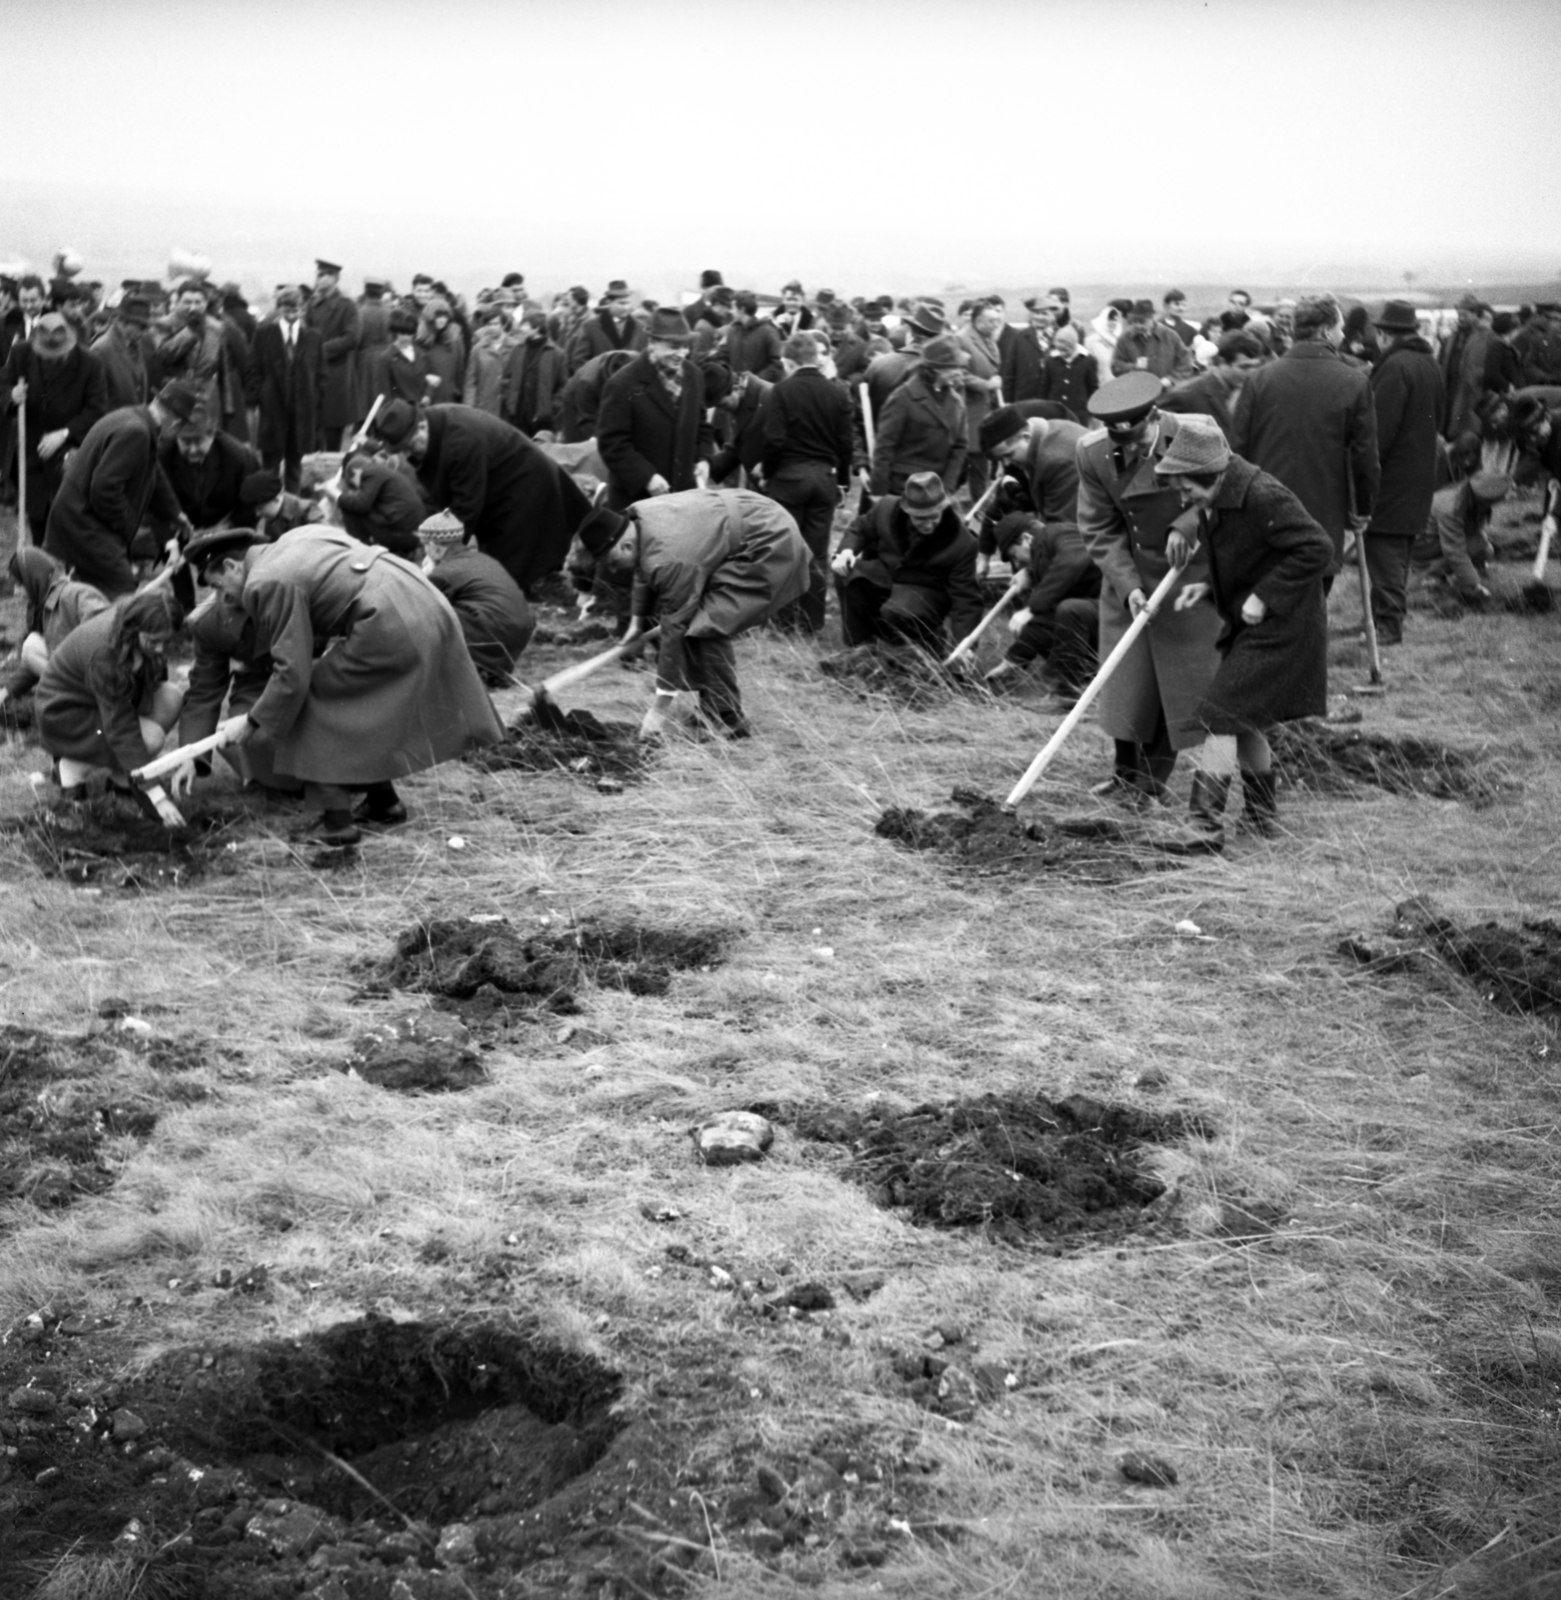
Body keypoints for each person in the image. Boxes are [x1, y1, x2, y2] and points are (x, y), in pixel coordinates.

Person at [188, 524, 505, 846]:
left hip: (387, 618)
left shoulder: (265, 579)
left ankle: (336, 824)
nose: (223, 596)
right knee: (340, 701)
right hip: (423, 598)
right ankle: (384, 802)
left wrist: (252, 719)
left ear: (231, 566)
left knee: (309, 703)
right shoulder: (297, 538)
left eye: (219, 585)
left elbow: (292, 676)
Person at [1153, 413, 1334, 846]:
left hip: (1285, 625)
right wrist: (1208, 589)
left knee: (1221, 715)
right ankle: (1260, 820)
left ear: (1210, 473)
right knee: (1246, 719)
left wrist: (1264, 596)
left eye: (1186, 485)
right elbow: (1246, 556)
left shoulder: (1263, 494)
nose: (1183, 496)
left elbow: (1318, 547)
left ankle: (1203, 827)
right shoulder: (1216, 497)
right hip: (1257, 623)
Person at [1075, 372, 1223, 805]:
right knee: (1126, 680)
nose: (1133, 450)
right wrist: (1127, 585)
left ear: (1155, 416)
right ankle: (1124, 776)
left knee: (1171, 684)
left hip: (1189, 578)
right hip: (1131, 577)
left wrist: (1188, 523)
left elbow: (1226, 486)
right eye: (1123, 444)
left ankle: (1150, 785)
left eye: (1140, 440)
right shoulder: (1093, 454)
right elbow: (1099, 527)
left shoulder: (1199, 432)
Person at [577, 488, 809, 739]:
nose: (612, 569)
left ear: (626, 545)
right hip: (749, 519)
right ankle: (713, 707)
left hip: (769, 539)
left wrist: (659, 709)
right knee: (691, 616)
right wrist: (636, 622)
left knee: (708, 622)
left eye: (612, 562)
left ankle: (729, 718)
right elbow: (645, 570)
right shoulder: (637, 517)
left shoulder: (669, 558)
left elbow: (674, 626)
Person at [369, 397, 590, 593]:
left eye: (409, 447)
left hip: (523, 482)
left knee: (505, 572)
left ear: (421, 426)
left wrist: (441, 554)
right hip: (495, 483)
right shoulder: (434, 426)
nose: (408, 455)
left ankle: (545, 586)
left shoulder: (460, 440)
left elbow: (466, 508)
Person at [1230, 292, 1379, 579]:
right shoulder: (1355, 382)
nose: (1342, 332)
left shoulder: (1258, 379)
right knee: (1313, 598)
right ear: (1325, 330)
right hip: (1321, 515)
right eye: (1339, 327)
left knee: (1266, 601)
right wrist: (1362, 509)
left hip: (1263, 516)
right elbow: (1365, 458)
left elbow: (1237, 450)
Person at [33, 583, 187, 825]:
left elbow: (145, 683)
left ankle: (121, 778)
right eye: (154, 641)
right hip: (66, 714)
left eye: (166, 642)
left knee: (170, 697)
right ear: (134, 629)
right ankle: (72, 767)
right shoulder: (105, 653)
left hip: (100, 702)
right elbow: (121, 728)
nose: (161, 649)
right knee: (151, 738)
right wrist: (157, 798)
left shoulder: (134, 634)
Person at [44, 380, 198, 596]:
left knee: (87, 598)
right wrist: (126, 526)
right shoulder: (137, 433)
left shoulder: (133, 418)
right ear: (176, 423)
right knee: (122, 598)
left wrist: (175, 513)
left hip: (79, 520)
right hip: (85, 527)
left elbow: (154, 471)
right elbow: (104, 489)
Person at [1363, 299, 1445, 644]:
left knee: (1384, 551)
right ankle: (1384, 620)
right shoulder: (1429, 363)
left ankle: (1388, 626)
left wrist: (1364, 469)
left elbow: (1379, 432)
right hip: (1420, 471)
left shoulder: (1394, 367)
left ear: (1383, 335)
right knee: (1399, 551)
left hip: (1392, 476)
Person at [762, 330, 854, 633]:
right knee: (817, 553)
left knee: (787, 551)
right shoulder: (838, 392)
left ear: (790, 361)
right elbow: (845, 444)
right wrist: (842, 482)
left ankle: (784, 622)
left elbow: (774, 441)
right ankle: (812, 621)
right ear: (817, 358)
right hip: (825, 480)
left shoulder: (781, 391)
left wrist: (768, 472)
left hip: (788, 479)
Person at [832, 470, 983, 652]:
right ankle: (860, 647)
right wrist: (847, 551)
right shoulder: (886, 508)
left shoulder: (963, 543)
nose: (928, 524)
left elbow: (966, 601)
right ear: (907, 510)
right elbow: (860, 528)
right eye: (920, 518)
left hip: (925, 592)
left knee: (895, 611)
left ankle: (932, 645)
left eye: (934, 516)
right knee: (845, 571)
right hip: (886, 576)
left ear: (943, 508)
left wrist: (964, 648)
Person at [3, 311, 109, 541]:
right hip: (31, 452)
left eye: (57, 354)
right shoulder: (21, 352)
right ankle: (41, 571)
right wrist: (11, 394)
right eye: (46, 354)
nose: (52, 358)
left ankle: (69, 569)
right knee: (37, 518)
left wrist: (65, 433)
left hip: (71, 454)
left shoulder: (90, 363)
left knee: (68, 520)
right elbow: (4, 382)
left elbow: (97, 409)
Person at [597, 308, 714, 510]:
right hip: (637, 502)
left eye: (686, 347)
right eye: (674, 346)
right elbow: (612, 442)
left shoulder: (693, 376)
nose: (682, 354)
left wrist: (704, 459)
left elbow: (701, 425)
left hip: (682, 498)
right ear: (652, 343)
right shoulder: (623, 383)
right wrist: (646, 477)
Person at [982, 515, 1100, 702]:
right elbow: (1043, 620)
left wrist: (1031, 607)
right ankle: (1086, 677)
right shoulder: (1042, 558)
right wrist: (1013, 661)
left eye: (1014, 555)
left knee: (1069, 610)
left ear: (1027, 539)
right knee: (1041, 619)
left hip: (1117, 612)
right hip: (1094, 617)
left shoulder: (1059, 532)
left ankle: (1066, 695)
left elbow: (1072, 561)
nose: (1017, 563)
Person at [419, 511, 535, 684]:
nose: (424, 551)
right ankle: (487, 670)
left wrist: (425, 577)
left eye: (425, 546)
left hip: (493, 631)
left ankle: (460, 673)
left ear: (435, 547)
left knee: (428, 619)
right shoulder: (482, 559)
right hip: (518, 631)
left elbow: (420, 607)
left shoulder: (444, 572)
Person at [1, 547, 110, 708]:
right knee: (31, 646)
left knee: (30, 645)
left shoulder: (74, 594)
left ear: (33, 578)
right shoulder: (40, 607)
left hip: (103, 678)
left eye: (19, 585)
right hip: (83, 677)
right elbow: (32, 661)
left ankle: (82, 701)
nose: (16, 592)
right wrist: (6, 691)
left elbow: (105, 627)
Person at [976, 405, 1086, 563]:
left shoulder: (1055, 462)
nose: (1006, 464)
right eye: (1001, 459)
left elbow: (1063, 534)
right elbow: (998, 506)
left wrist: (1030, 571)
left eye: (1008, 455)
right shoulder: (1044, 435)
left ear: (1026, 437)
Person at [146, 279, 248, 442]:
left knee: (205, 445)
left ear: (206, 303)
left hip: (208, 398)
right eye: (187, 302)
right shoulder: (162, 325)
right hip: (174, 397)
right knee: (172, 445)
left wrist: (228, 406)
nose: (193, 307)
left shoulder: (217, 327)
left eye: (198, 302)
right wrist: (190, 332)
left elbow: (224, 370)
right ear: (177, 302)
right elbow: (164, 356)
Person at [245, 287, 323, 493]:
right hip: (273, 410)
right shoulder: (264, 334)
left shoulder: (313, 337)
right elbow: (253, 368)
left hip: (301, 412)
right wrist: (262, 394)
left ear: (303, 309)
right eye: (286, 307)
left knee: (295, 466)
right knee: (270, 465)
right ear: (278, 308)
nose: (291, 312)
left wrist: (314, 399)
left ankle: (292, 510)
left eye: (295, 307)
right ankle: (270, 507)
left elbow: (320, 374)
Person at [870, 336, 967, 495]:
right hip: (903, 486)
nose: (959, 373)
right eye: (953, 368)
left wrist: (948, 489)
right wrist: (879, 492)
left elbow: (960, 447)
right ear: (936, 369)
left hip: (937, 486)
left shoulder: (957, 403)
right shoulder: (902, 397)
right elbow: (884, 447)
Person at [1414, 471, 1512, 605]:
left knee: (1483, 548)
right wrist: (1474, 585)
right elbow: (1454, 551)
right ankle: (1428, 574)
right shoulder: (1451, 508)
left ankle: (1441, 571)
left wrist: (1478, 562)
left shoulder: (1469, 497)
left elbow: (1471, 531)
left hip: (1435, 542)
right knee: (1478, 546)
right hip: (1421, 547)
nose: (1506, 497)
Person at [159, 410, 260, 530]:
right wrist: (170, 535)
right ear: (176, 438)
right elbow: (152, 502)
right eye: (186, 442)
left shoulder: (238, 457)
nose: (193, 450)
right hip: (180, 533)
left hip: (228, 532)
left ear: (212, 436)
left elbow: (254, 501)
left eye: (199, 442)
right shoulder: (162, 457)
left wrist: (227, 526)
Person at [1159, 330, 1266, 436]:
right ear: (1221, 362)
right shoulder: (1185, 395)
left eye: (1255, 367)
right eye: (1244, 367)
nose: (1251, 374)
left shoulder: (1254, 393)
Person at [304, 259, 360, 449]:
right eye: (319, 275)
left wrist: (321, 350)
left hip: (336, 378)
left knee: (332, 439)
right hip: (313, 378)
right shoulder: (312, 305)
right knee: (312, 436)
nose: (321, 279)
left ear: (335, 278)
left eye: (326, 275)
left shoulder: (347, 306)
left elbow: (352, 338)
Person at [333, 450, 426, 555]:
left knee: (349, 507)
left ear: (355, 472)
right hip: (413, 534)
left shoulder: (371, 473)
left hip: (404, 535)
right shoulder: (385, 472)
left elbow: (360, 505)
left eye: (353, 483)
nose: (357, 489)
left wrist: (337, 495)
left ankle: (359, 553)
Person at [1439, 293, 1495, 441]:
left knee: (1466, 430)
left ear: (1475, 315)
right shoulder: (1452, 337)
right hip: (1450, 389)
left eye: (1465, 315)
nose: (1461, 318)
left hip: (1470, 392)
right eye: (1459, 315)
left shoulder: (1486, 336)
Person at [501, 309, 566, 436]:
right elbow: (506, 377)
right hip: (517, 416)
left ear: (536, 328)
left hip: (542, 420)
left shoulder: (557, 354)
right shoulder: (518, 349)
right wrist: (509, 401)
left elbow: (563, 387)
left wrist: (550, 409)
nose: (521, 328)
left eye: (525, 325)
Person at [556, 348, 636, 443]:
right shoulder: (587, 383)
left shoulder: (638, 363)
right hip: (574, 401)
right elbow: (587, 420)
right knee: (580, 444)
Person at [569, 280, 646, 372]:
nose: (625, 308)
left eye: (628, 303)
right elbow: (579, 361)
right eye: (621, 303)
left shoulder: (641, 328)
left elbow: (645, 361)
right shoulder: (590, 327)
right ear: (609, 302)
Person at [90, 294, 152, 410]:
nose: (144, 333)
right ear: (120, 322)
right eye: (141, 327)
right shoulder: (101, 350)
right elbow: (95, 400)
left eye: (146, 328)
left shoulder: (135, 344)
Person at [1112, 300, 1194, 384]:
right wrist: (1134, 367)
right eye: (1134, 321)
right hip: (1137, 393)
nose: (1137, 325)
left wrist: (1170, 379)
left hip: (1167, 393)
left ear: (1152, 318)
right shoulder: (1125, 338)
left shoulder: (1170, 336)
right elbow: (1115, 366)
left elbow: (1185, 362)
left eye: (1142, 322)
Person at [1000, 297, 1054, 404]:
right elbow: (1010, 372)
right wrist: (1007, 401)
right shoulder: (1020, 337)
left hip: (1052, 399)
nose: (1040, 317)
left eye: (1044, 314)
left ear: (1052, 315)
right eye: (1036, 313)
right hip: (1025, 399)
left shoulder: (1060, 337)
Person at [1040, 324, 1098, 421]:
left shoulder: (1088, 361)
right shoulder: (1050, 361)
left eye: (1065, 350)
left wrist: (1091, 411)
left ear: (1074, 346)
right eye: (1059, 349)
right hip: (1055, 412)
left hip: (1079, 413)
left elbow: (1092, 388)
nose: (1062, 353)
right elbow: (1044, 388)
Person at [724, 293, 784, 381]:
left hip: (759, 390)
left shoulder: (768, 332)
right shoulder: (733, 331)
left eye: (733, 308)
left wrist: (753, 381)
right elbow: (724, 355)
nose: (731, 311)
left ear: (742, 309)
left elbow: (776, 365)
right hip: (736, 388)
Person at [419, 296, 466, 406]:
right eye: (438, 316)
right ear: (429, 318)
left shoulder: (455, 340)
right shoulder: (420, 342)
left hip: (451, 397)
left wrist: (460, 394)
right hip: (428, 398)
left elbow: (459, 371)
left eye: (445, 316)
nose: (442, 319)